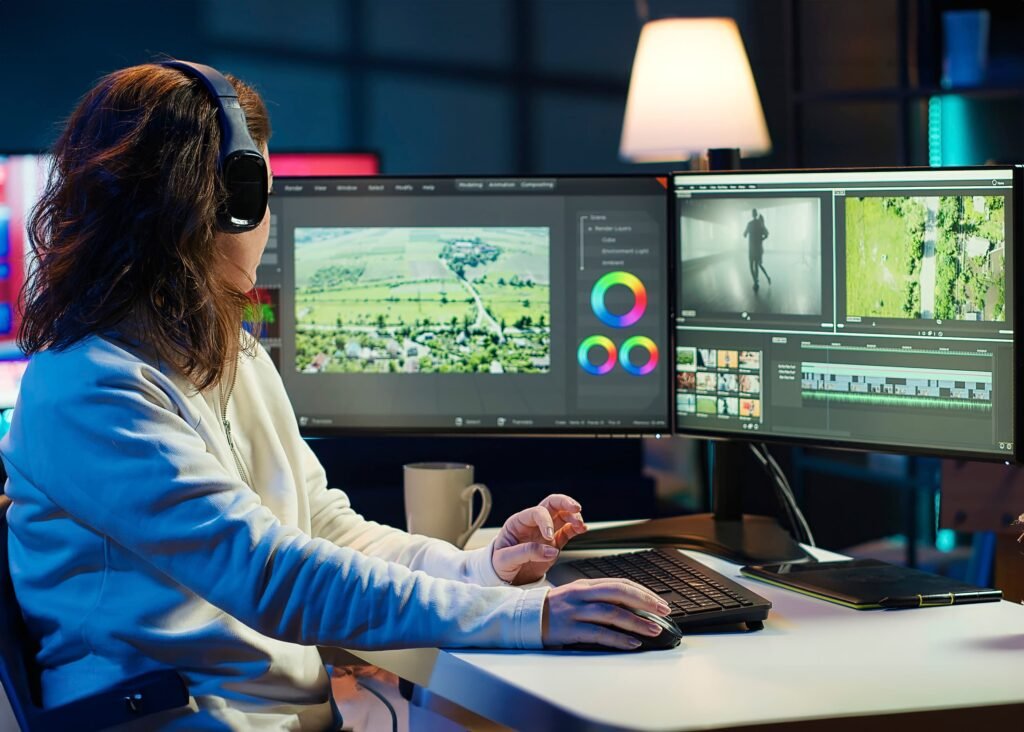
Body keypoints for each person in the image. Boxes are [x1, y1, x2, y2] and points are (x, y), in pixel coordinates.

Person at [0, 62, 669, 730]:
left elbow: (323, 528)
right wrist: (531, 618)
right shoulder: (89, 389)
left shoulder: (232, 352)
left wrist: (482, 570)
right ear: (226, 202)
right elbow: (270, 574)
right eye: (265, 189)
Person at [743, 208, 772, 291]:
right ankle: (759, 281)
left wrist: (748, 234)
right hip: (758, 248)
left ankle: (755, 282)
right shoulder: (760, 224)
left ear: (752, 215)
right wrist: (761, 239)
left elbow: (744, 235)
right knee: (757, 265)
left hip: (751, 248)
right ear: (757, 214)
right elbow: (767, 234)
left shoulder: (749, 224)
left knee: (751, 266)